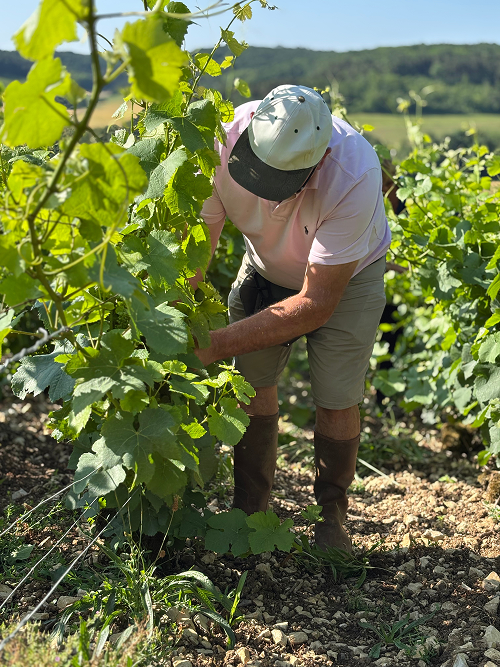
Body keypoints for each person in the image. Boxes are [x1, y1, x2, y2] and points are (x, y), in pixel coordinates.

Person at [195, 84, 391, 552]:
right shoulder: (219, 139)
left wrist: (215, 344)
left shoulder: (354, 173)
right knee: (251, 383)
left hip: (348, 278)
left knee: (337, 397)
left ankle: (331, 519)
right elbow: (195, 254)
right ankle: (249, 510)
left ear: (317, 162)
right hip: (264, 267)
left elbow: (316, 303)